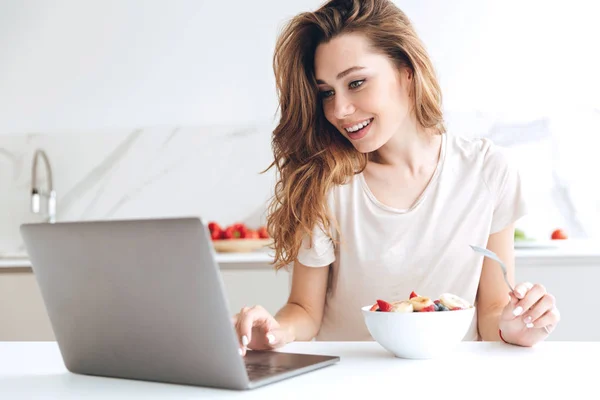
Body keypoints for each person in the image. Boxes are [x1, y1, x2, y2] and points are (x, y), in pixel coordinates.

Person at [233, 0, 560, 355]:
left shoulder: (487, 171)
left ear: (407, 70)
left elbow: (491, 313)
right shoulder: (327, 181)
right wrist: (277, 331)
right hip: (345, 381)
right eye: (326, 92)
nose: (339, 110)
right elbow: (305, 310)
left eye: (356, 83)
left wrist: (516, 325)